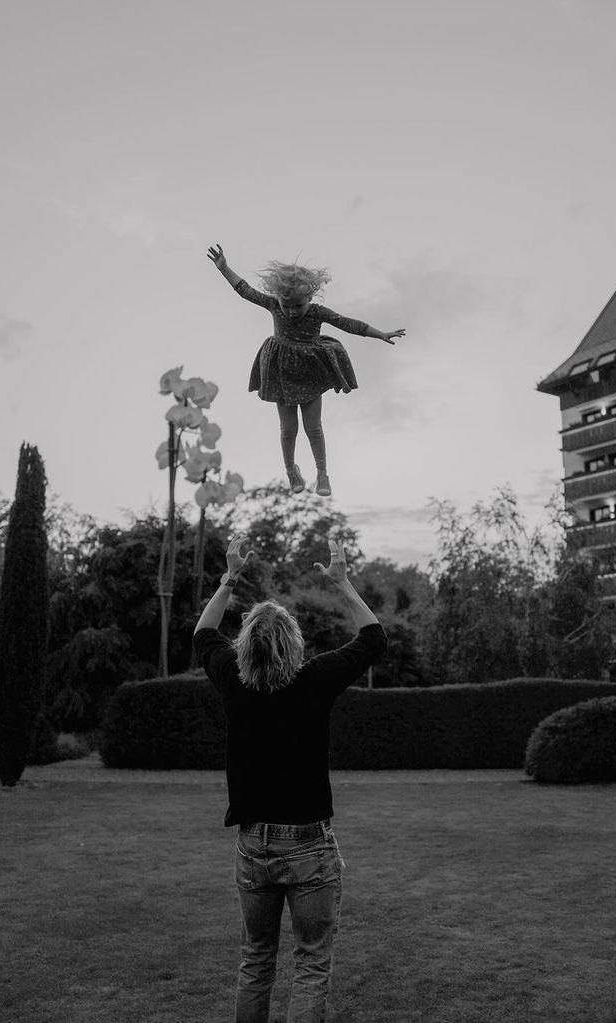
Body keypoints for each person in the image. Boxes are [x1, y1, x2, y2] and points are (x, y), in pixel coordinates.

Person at [193, 533, 387, 1023]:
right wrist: (342, 583)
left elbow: (202, 634)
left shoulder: (232, 681)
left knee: (256, 961)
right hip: (308, 846)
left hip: (253, 843)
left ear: (245, 646)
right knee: (312, 965)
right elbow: (374, 638)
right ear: (293, 643)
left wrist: (229, 578)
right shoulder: (314, 680)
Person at [207, 244, 405, 497]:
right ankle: (291, 470)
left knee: (314, 427)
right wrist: (224, 268)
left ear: (310, 299)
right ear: (278, 298)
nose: (290, 311)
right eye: (286, 304)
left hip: (310, 373)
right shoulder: (273, 305)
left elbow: (349, 324)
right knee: (288, 429)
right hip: (280, 371)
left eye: (297, 306)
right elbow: (244, 290)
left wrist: (381, 334)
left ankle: (322, 473)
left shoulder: (317, 313)